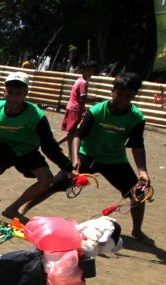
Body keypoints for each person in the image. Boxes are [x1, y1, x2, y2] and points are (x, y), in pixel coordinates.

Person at [20, 72, 153, 243]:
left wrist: (143, 171)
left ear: (134, 96)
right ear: (113, 91)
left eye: (128, 96)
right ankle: (23, 209)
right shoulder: (97, 111)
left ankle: (137, 231)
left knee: (138, 194)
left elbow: (137, 144)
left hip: (115, 160)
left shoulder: (136, 118)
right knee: (56, 183)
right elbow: (78, 135)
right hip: (87, 155)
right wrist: (75, 159)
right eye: (120, 94)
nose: (122, 99)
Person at [0, 72, 77, 222]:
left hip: (27, 150)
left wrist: (68, 168)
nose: (14, 98)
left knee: (46, 179)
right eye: (10, 93)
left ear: (26, 93)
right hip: (3, 148)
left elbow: (49, 145)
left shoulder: (36, 115)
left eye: (19, 93)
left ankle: (12, 209)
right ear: (4, 92)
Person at [57, 61, 96, 151]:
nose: (91, 73)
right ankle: (71, 153)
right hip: (76, 109)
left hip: (71, 107)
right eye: (89, 71)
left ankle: (56, 144)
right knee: (73, 133)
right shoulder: (83, 83)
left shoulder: (78, 80)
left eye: (92, 71)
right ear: (84, 71)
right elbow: (83, 98)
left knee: (72, 131)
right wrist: (96, 101)